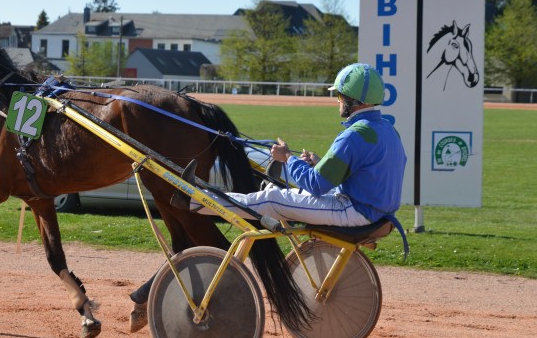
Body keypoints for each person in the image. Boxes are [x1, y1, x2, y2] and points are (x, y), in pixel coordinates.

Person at [172, 63, 407, 230]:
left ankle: (194, 200)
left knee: (272, 200)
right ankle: (262, 189)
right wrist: (318, 163)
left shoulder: (354, 135)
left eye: (339, 96)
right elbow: (366, 174)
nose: (337, 102)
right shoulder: (388, 130)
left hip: (357, 212)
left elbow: (317, 185)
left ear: (352, 100)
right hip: (377, 211)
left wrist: (287, 158)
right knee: (289, 193)